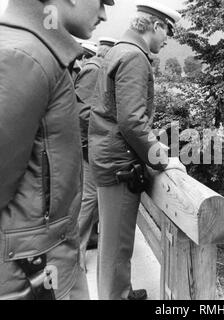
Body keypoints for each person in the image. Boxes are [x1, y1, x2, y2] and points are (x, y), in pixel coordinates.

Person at [0, 0, 114, 300]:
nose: (104, 13)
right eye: (102, 1)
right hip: (31, 271)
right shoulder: (25, 55)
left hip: (42, 260)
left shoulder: (37, 51)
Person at [89, 1, 186, 300]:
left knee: (112, 241)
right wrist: (161, 159)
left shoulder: (118, 49)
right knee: (117, 244)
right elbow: (131, 121)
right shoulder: (134, 57)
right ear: (155, 26)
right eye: (168, 30)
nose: (168, 38)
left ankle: (121, 290)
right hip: (119, 165)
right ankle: (116, 296)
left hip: (108, 157)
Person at [75, 37, 116, 272]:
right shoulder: (95, 71)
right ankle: (75, 254)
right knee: (89, 197)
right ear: (107, 53)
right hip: (88, 145)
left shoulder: (98, 69)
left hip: (91, 144)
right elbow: (82, 112)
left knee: (95, 196)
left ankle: (88, 240)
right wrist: (107, 128)